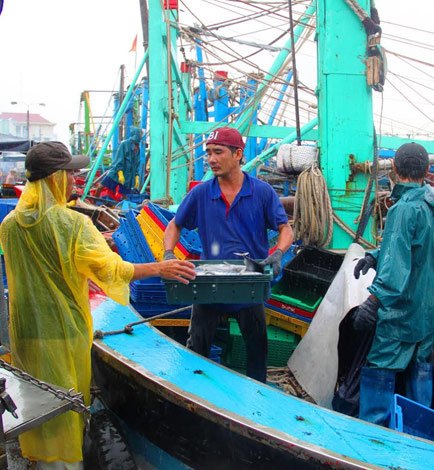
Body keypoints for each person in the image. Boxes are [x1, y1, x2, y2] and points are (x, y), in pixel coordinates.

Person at [0, 141, 196, 469]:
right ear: (53, 179)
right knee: (64, 408)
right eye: (70, 173)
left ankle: (41, 461)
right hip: (63, 334)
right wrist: (160, 268)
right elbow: (113, 270)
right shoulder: (73, 224)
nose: (76, 179)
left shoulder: (9, 225)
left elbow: (42, 269)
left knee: (35, 408)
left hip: (26, 334)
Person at [163, 127, 293, 383]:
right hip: (209, 283)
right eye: (208, 153)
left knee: (257, 350)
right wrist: (168, 253)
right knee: (197, 349)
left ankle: (257, 398)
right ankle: (194, 394)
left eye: (218, 152)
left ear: (238, 154)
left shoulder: (262, 192)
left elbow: (285, 228)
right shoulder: (201, 193)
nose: (211, 159)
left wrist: (278, 253)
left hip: (249, 284)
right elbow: (175, 224)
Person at [352, 142, 434, 426]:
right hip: (429, 306)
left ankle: (373, 437)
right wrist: (375, 255)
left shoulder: (403, 209)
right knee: (420, 365)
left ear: (393, 168)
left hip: (402, 312)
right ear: (428, 170)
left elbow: (395, 271)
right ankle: (420, 431)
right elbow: (422, 247)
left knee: (381, 363)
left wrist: (373, 302)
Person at [95, 127, 144, 196]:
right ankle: (94, 201)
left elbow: (137, 164)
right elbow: (119, 159)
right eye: (140, 134)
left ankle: (118, 206)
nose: (141, 137)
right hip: (116, 173)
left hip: (128, 177)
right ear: (136, 135)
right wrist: (120, 173)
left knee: (125, 195)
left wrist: (136, 176)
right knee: (100, 186)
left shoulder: (138, 149)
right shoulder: (124, 144)